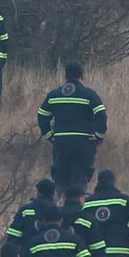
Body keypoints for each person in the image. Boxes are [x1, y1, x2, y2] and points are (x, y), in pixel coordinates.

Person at [38, 62, 107, 192]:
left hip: (61, 142)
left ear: (65, 76)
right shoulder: (89, 94)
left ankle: (62, 205)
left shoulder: (54, 95)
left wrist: (49, 136)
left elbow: (42, 115)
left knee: (61, 178)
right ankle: (76, 207)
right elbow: (101, 115)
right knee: (80, 178)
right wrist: (99, 136)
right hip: (83, 143)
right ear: (82, 76)